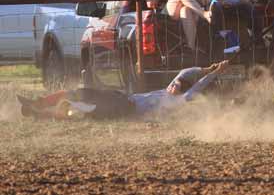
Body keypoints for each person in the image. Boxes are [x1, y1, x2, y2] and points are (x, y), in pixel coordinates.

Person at [18, 61, 230, 120]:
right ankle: (39, 103)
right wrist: (206, 68)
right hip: (120, 99)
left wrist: (214, 73)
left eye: (176, 86)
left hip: (123, 109)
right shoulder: (169, 90)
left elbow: (196, 87)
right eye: (173, 83)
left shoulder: (180, 100)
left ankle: (41, 113)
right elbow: (184, 73)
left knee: (80, 109)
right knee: (79, 93)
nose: (173, 84)